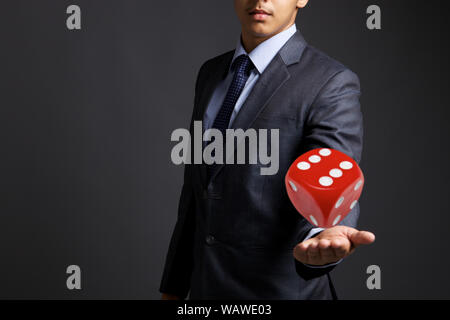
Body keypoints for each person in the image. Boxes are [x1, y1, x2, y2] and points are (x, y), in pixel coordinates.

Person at [160, 0, 375, 300]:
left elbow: (333, 167)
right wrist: (173, 288)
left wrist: (325, 230)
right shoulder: (210, 74)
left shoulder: (330, 81)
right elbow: (197, 192)